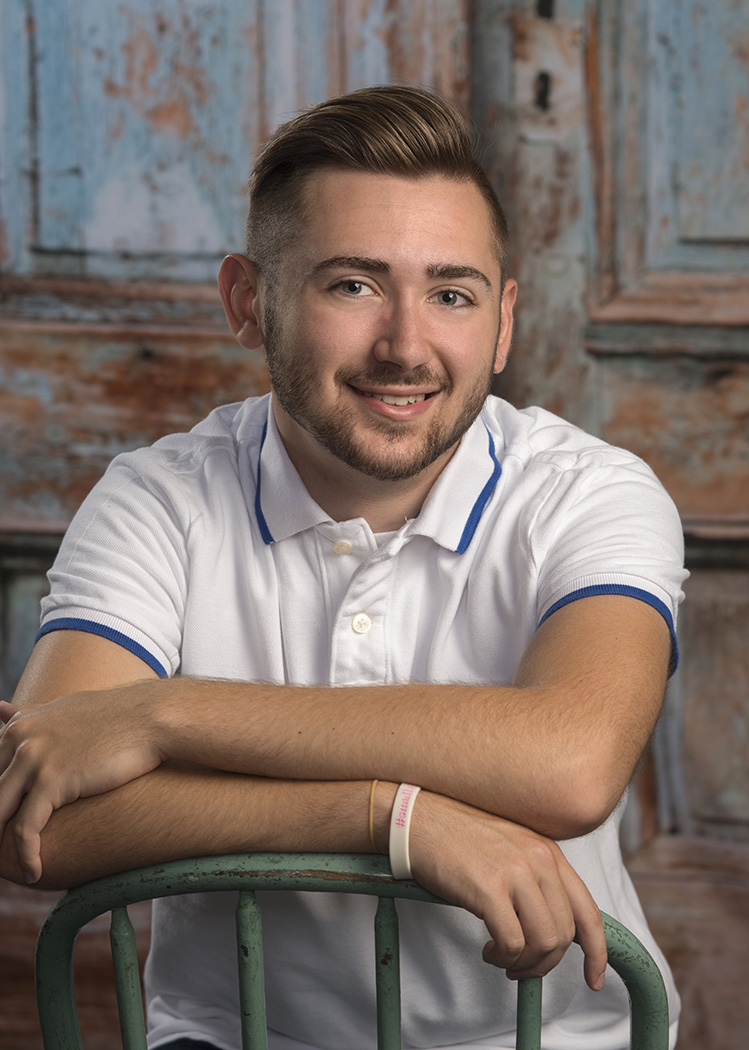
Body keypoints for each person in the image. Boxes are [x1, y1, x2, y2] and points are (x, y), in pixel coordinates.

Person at [0, 85, 685, 1050]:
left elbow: (571, 763)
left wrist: (164, 713)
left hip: (543, 1037)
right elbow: (40, 825)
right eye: (352, 285)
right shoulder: (156, 497)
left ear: (502, 323)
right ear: (251, 300)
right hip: (235, 1038)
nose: (406, 347)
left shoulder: (590, 493)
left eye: (451, 294)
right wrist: (390, 821)